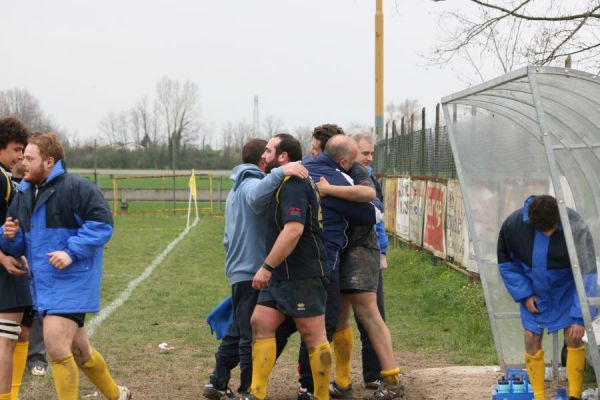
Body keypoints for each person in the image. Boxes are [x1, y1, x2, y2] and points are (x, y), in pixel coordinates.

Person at [0, 133, 131, 400]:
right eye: (22, 157)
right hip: (44, 285)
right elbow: (18, 246)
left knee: (56, 346)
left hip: (73, 280)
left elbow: (102, 225)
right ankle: (117, 395)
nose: (23, 163)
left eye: (29, 158)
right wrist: (8, 236)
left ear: (49, 162)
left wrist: (70, 253)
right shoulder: (23, 194)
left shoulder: (77, 188)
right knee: (81, 351)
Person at [203, 139, 308, 399]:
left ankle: (218, 380)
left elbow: (227, 237)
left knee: (243, 327)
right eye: (268, 154)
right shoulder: (251, 183)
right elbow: (257, 196)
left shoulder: (235, 188)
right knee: (252, 332)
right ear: (263, 161)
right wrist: (281, 172)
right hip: (253, 271)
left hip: (241, 269)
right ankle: (249, 389)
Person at [315, 135, 404, 400]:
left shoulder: (358, 171)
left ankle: (392, 379)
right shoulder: (321, 168)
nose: (367, 158)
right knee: (339, 317)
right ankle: (342, 383)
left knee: (368, 312)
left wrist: (330, 191)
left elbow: (373, 207)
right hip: (338, 251)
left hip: (361, 248)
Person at [243, 133, 331, 400]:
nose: (264, 155)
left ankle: (322, 396)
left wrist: (267, 266)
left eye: (268, 150)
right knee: (261, 321)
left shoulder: (293, 183)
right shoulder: (283, 181)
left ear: (283, 156)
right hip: (283, 272)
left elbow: (293, 231)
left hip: (303, 272)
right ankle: (256, 393)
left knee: (313, 334)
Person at [498, 195, 597, 400]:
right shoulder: (512, 226)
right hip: (534, 291)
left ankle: (575, 395)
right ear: (531, 223)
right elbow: (507, 266)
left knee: (574, 335)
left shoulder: (576, 225)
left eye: (553, 228)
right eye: (544, 231)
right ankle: (539, 396)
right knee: (530, 337)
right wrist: (525, 295)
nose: (549, 233)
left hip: (568, 290)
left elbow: (588, 274)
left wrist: (580, 316)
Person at [0, 117, 31, 400]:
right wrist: (3, 258)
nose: (19, 155)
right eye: (16, 149)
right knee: (7, 338)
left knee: (20, 334)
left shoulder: (9, 179)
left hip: (14, 267)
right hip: (5, 271)